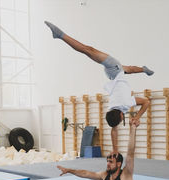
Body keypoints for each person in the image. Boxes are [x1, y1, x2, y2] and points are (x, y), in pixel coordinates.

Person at [44, 21, 151, 153]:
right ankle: (143, 69)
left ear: (121, 116)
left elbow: (146, 102)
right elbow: (113, 130)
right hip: (114, 75)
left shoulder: (125, 103)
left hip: (114, 70)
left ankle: (60, 35)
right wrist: (115, 150)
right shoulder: (112, 108)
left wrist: (137, 117)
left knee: (88, 50)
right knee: (128, 69)